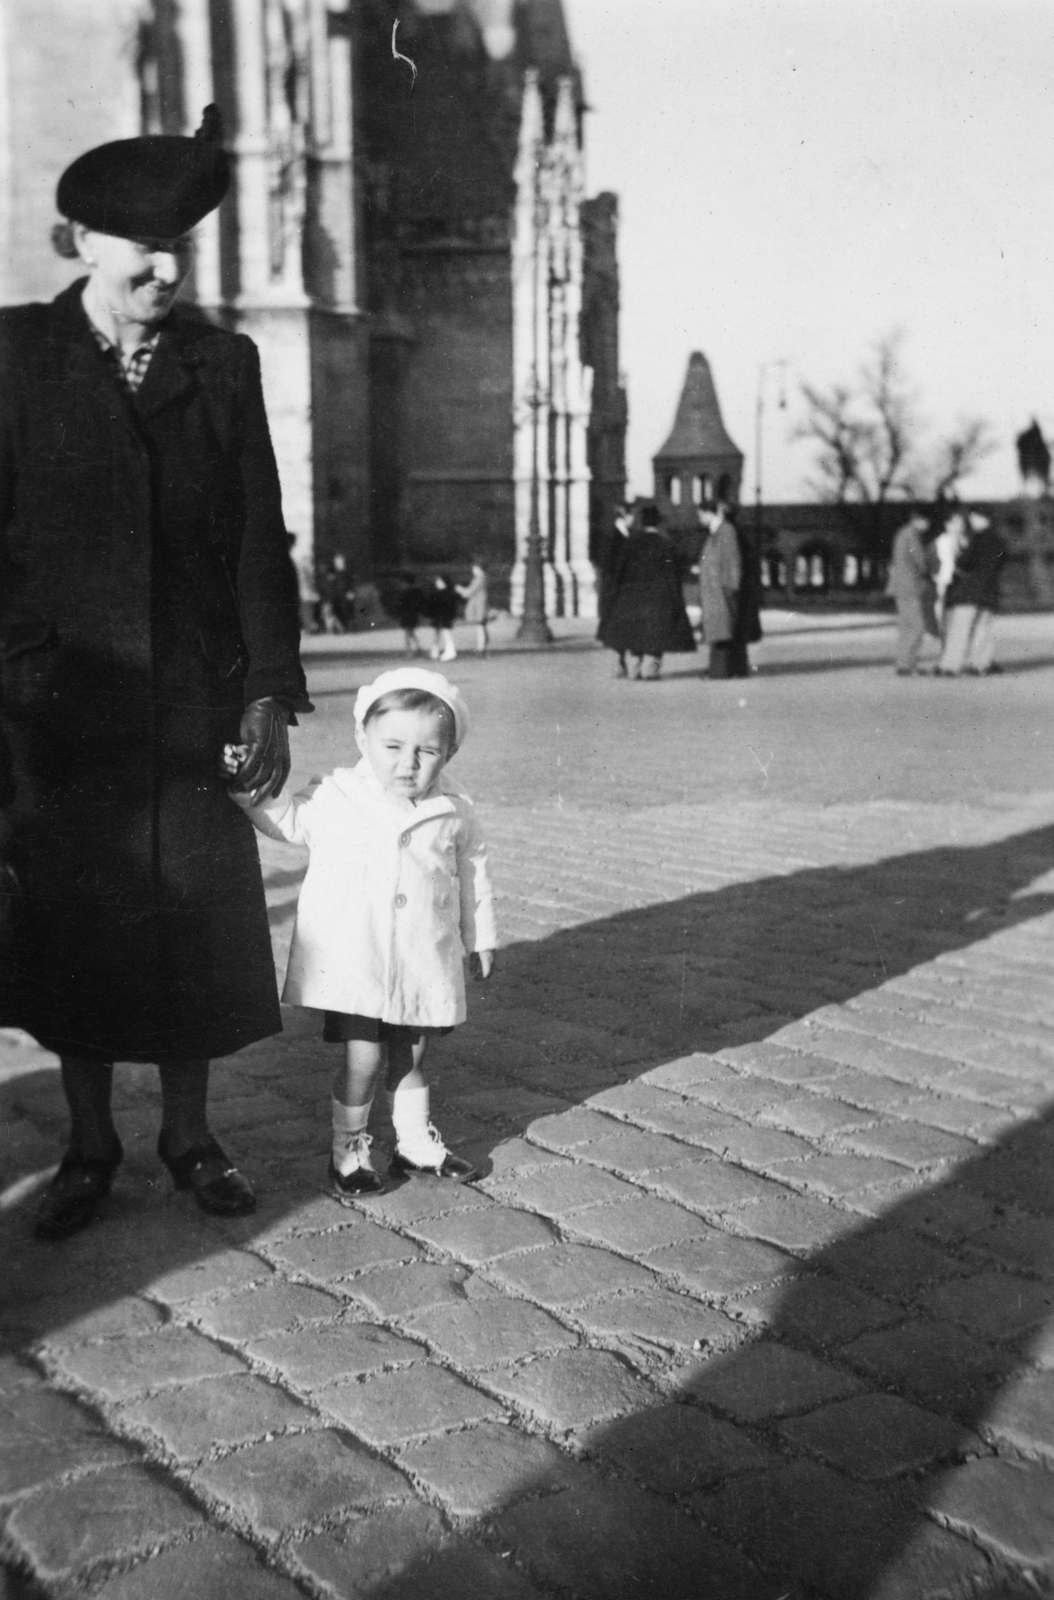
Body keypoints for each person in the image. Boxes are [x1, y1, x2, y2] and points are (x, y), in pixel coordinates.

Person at [0, 111, 311, 1241]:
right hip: (56, 707)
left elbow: (256, 540)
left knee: (191, 925)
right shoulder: (14, 356)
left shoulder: (221, 363)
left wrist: (268, 686)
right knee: (74, 931)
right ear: (78, 240)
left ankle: (190, 1136)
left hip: (190, 702)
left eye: (182, 242)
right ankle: (90, 1145)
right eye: (140, 243)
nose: (166, 267)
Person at [229, 668, 495, 1195]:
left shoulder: (456, 810)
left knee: (414, 1054)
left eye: (428, 751)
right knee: (364, 1058)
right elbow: (287, 820)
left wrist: (480, 935)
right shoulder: (338, 794)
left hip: (423, 955)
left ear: (449, 754)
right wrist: (246, 786)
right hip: (358, 957)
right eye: (392, 745)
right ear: (363, 739)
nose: (408, 763)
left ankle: (415, 1143)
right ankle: (347, 1150)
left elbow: (474, 871)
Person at [596, 504, 696, 679]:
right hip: (658, 602)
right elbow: (676, 574)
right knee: (657, 645)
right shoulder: (667, 545)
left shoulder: (631, 544)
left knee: (635, 639)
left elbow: (618, 573)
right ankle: (651, 669)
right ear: (658, 523)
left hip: (632, 601)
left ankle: (634, 668)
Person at [937, 512, 1005, 676]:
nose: (971, 521)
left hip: (969, 592)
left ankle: (950, 666)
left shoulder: (978, 538)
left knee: (960, 630)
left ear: (982, 518)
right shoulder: (999, 540)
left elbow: (965, 561)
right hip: (990, 591)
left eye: (974, 518)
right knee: (983, 630)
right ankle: (980, 664)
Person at [887, 512, 940, 675]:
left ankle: (903, 662)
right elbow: (919, 559)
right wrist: (932, 569)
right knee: (917, 626)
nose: (928, 526)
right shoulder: (911, 535)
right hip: (910, 586)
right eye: (927, 521)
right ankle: (907, 664)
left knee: (906, 627)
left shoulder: (902, 533)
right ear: (918, 521)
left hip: (900, 586)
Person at [697, 502, 745, 678]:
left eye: (701, 514)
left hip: (721, 591)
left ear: (710, 513)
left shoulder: (725, 531)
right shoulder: (718, 531)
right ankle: (718, 669)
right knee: (718, 631)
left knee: (721, 631)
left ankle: (721, 671)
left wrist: (731, 587)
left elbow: (732, 561)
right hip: (716, 591)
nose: (700, 519)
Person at [384, 570, 426, 656]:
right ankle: (418, 647)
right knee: (410, 631)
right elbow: (421, 602)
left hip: (406, 614)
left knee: (408, 632)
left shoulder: (405, 592)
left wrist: (397, 613)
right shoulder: (417, 591)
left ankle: (409, 650)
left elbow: (400, 605)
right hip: (414, 614)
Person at [456, 558, 490, 656]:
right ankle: (482, 647)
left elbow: (469, 592)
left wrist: (458, 588)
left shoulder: (479, 579)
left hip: (479, 606)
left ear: (479, 569)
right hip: (481, 605)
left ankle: (481, 648)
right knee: (482, 627)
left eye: (474, 568)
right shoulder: (484, 578)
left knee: (480, 627)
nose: (473, 570)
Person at [422, 574, 459, 662]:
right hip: (443, 617)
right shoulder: (449, 593)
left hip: (441, 617)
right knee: (439, 634)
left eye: (439, 581)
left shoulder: (439, 594)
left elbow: (431, 606)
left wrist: (429, 614)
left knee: (444, 634)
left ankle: (450, 652)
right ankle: (435, 653)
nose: (437, 583)